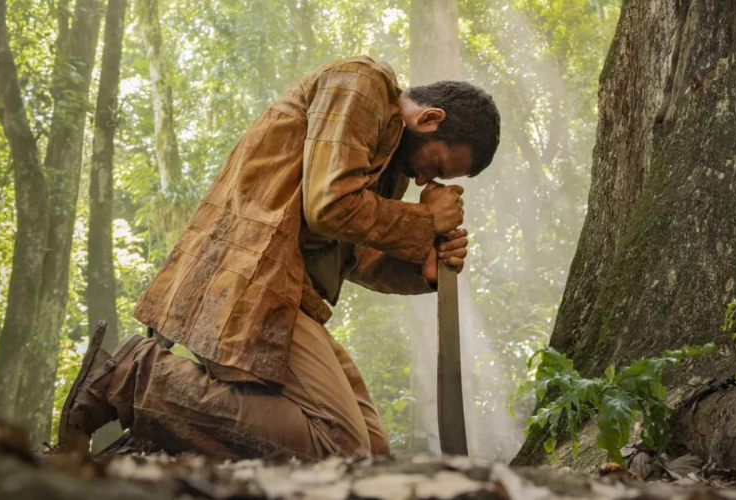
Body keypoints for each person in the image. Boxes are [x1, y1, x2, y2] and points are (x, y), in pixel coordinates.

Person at [58, 56, 501, 460]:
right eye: (436, 165)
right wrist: (425, 220)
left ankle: (165, 434)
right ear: (429, 118)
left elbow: (355, 257)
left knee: (373, 458)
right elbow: (329, 207)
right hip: (249, 281)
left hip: (289, 299)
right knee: (340, 450)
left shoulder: (389, 167)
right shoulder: (362, 84)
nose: (425, 178)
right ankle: (133, 378)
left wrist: (419, 270)